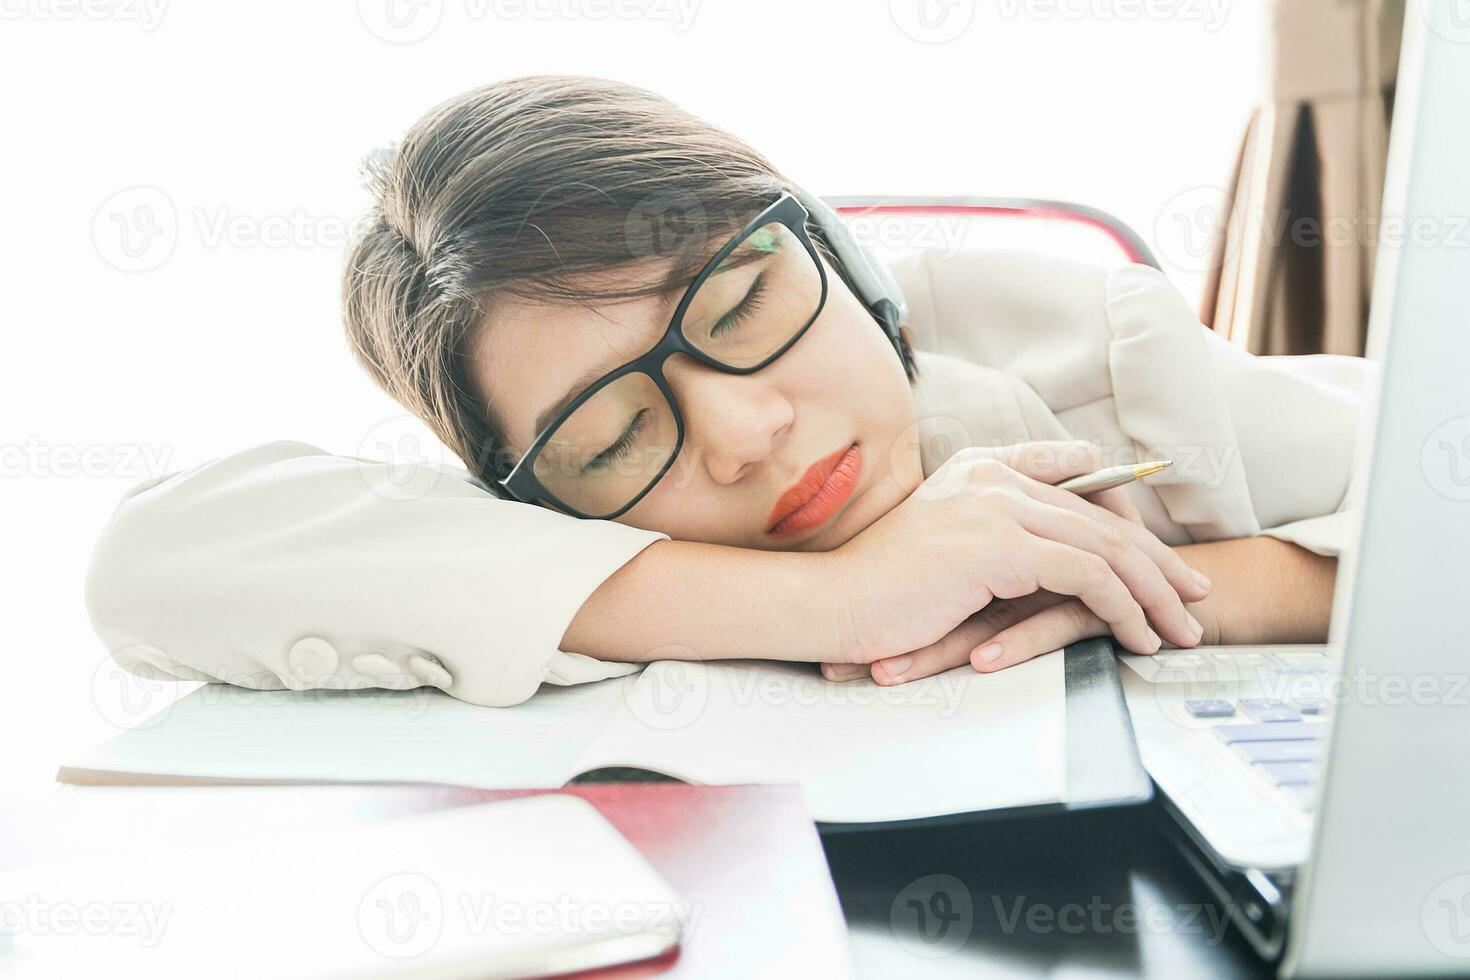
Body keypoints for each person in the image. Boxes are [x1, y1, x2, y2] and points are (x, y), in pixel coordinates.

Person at [84, 76, 1368, 708]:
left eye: (744, 306)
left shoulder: (1094, 352)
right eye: (615, 433)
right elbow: (148, 563)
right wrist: (839, 597)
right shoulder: (544, 537)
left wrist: (1113, 586)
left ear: (842, 257)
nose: (747, 432)